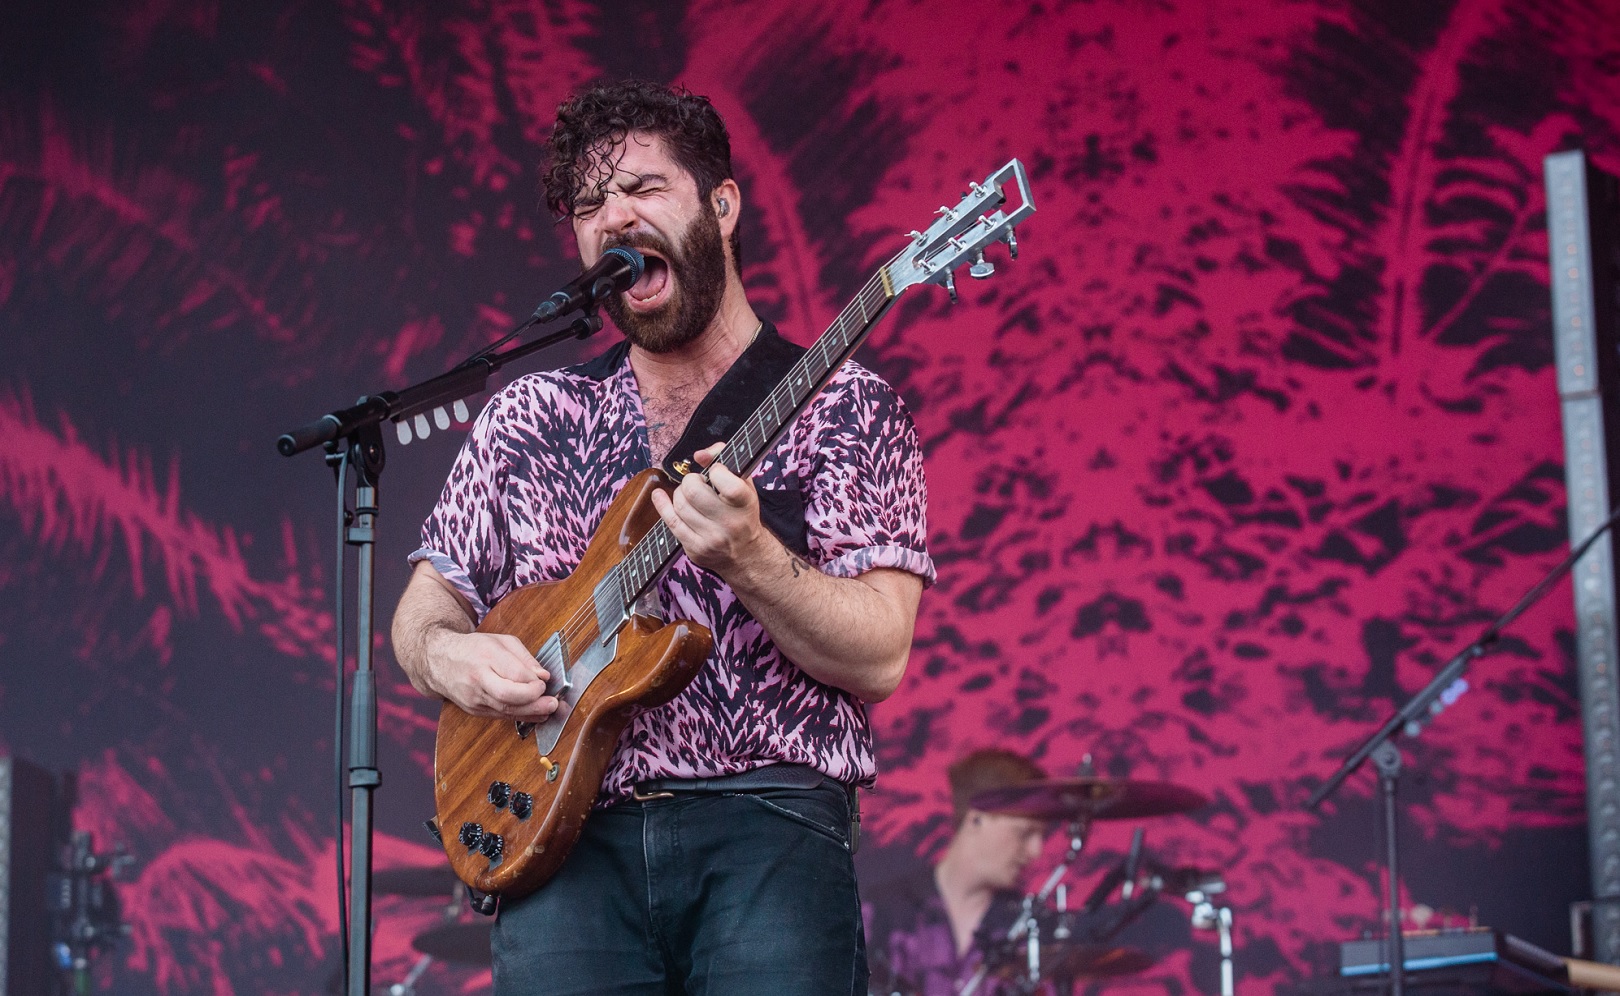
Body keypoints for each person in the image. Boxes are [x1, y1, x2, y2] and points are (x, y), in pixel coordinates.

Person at [389, 78, 933, 996]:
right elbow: (421, 613)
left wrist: (750, 557)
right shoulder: (535, 412)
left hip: (769, 833)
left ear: (721, 207)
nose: (613, 218)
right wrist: (452, 661)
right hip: (562, 838)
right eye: (591, 204)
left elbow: (879, 655)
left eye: (643, 188)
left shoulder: (845, 405)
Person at [865, 749, 1050, 996]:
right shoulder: (881, 912)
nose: (1036, 851)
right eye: (1024, 833)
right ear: (976, 819)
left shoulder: (1029, 928)